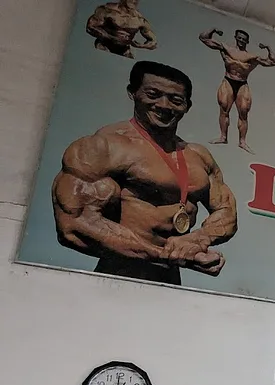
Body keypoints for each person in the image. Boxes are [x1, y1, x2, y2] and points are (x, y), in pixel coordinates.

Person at [52, 61, 238, 286]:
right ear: (133, 93)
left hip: (169, 279)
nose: (164, 105)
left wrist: (199, 239)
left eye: (175, 100)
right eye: (153, 95)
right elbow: (73, 224)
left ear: (187, 106)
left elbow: (226, 210)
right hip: (118, 276)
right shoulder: (104, 147)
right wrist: (169, 256)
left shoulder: (198, 155)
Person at [199, 28, 275, 154]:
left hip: (242, 84)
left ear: (247, 41)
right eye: (239, 38)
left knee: (244, 111)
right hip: (228, 81)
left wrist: (268, 48)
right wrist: (213, 30)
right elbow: (204, 38)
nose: (241, 41)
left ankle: (242, 142)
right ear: (235, 37)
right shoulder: (226, 49)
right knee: (224, 108)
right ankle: (223, 137)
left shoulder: (252, 57)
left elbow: (273, 62)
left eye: (244, 39)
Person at [86, 0, 157, 59]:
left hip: (124, 52)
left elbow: (153, 42)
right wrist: (110, 37)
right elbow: (90, 27)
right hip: (104, 48)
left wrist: (141, 46)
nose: (134, 1)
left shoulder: (139, 20)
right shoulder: (108, 10)